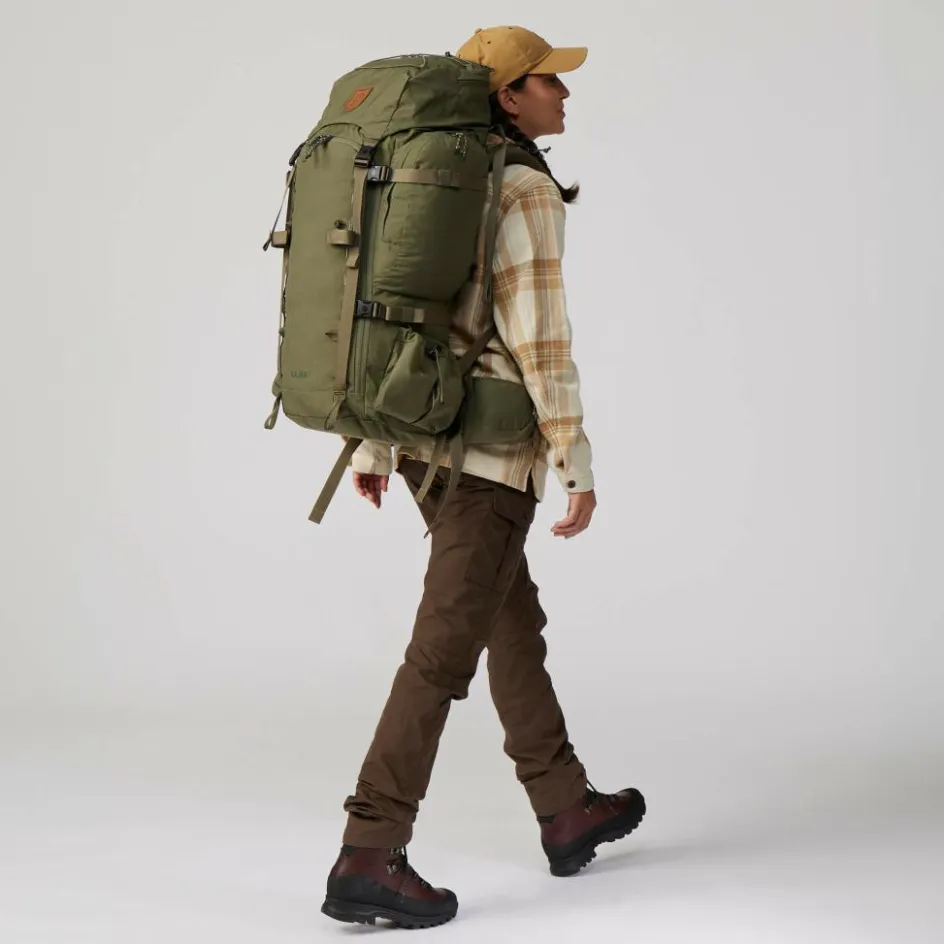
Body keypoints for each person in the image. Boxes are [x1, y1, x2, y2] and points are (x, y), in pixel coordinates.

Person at [321, 25, 646, 929]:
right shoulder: (522, 187)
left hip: (422, 441)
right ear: (508, 95)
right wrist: (574, 457)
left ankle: (566, 804)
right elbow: (540, 336)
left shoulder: (428, 177)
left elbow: (394, 310)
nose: (564, 95)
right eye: (549, 81)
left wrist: (376, 445)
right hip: (490, 457)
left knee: (513, 620)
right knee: (442, 654)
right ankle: (370, 851)